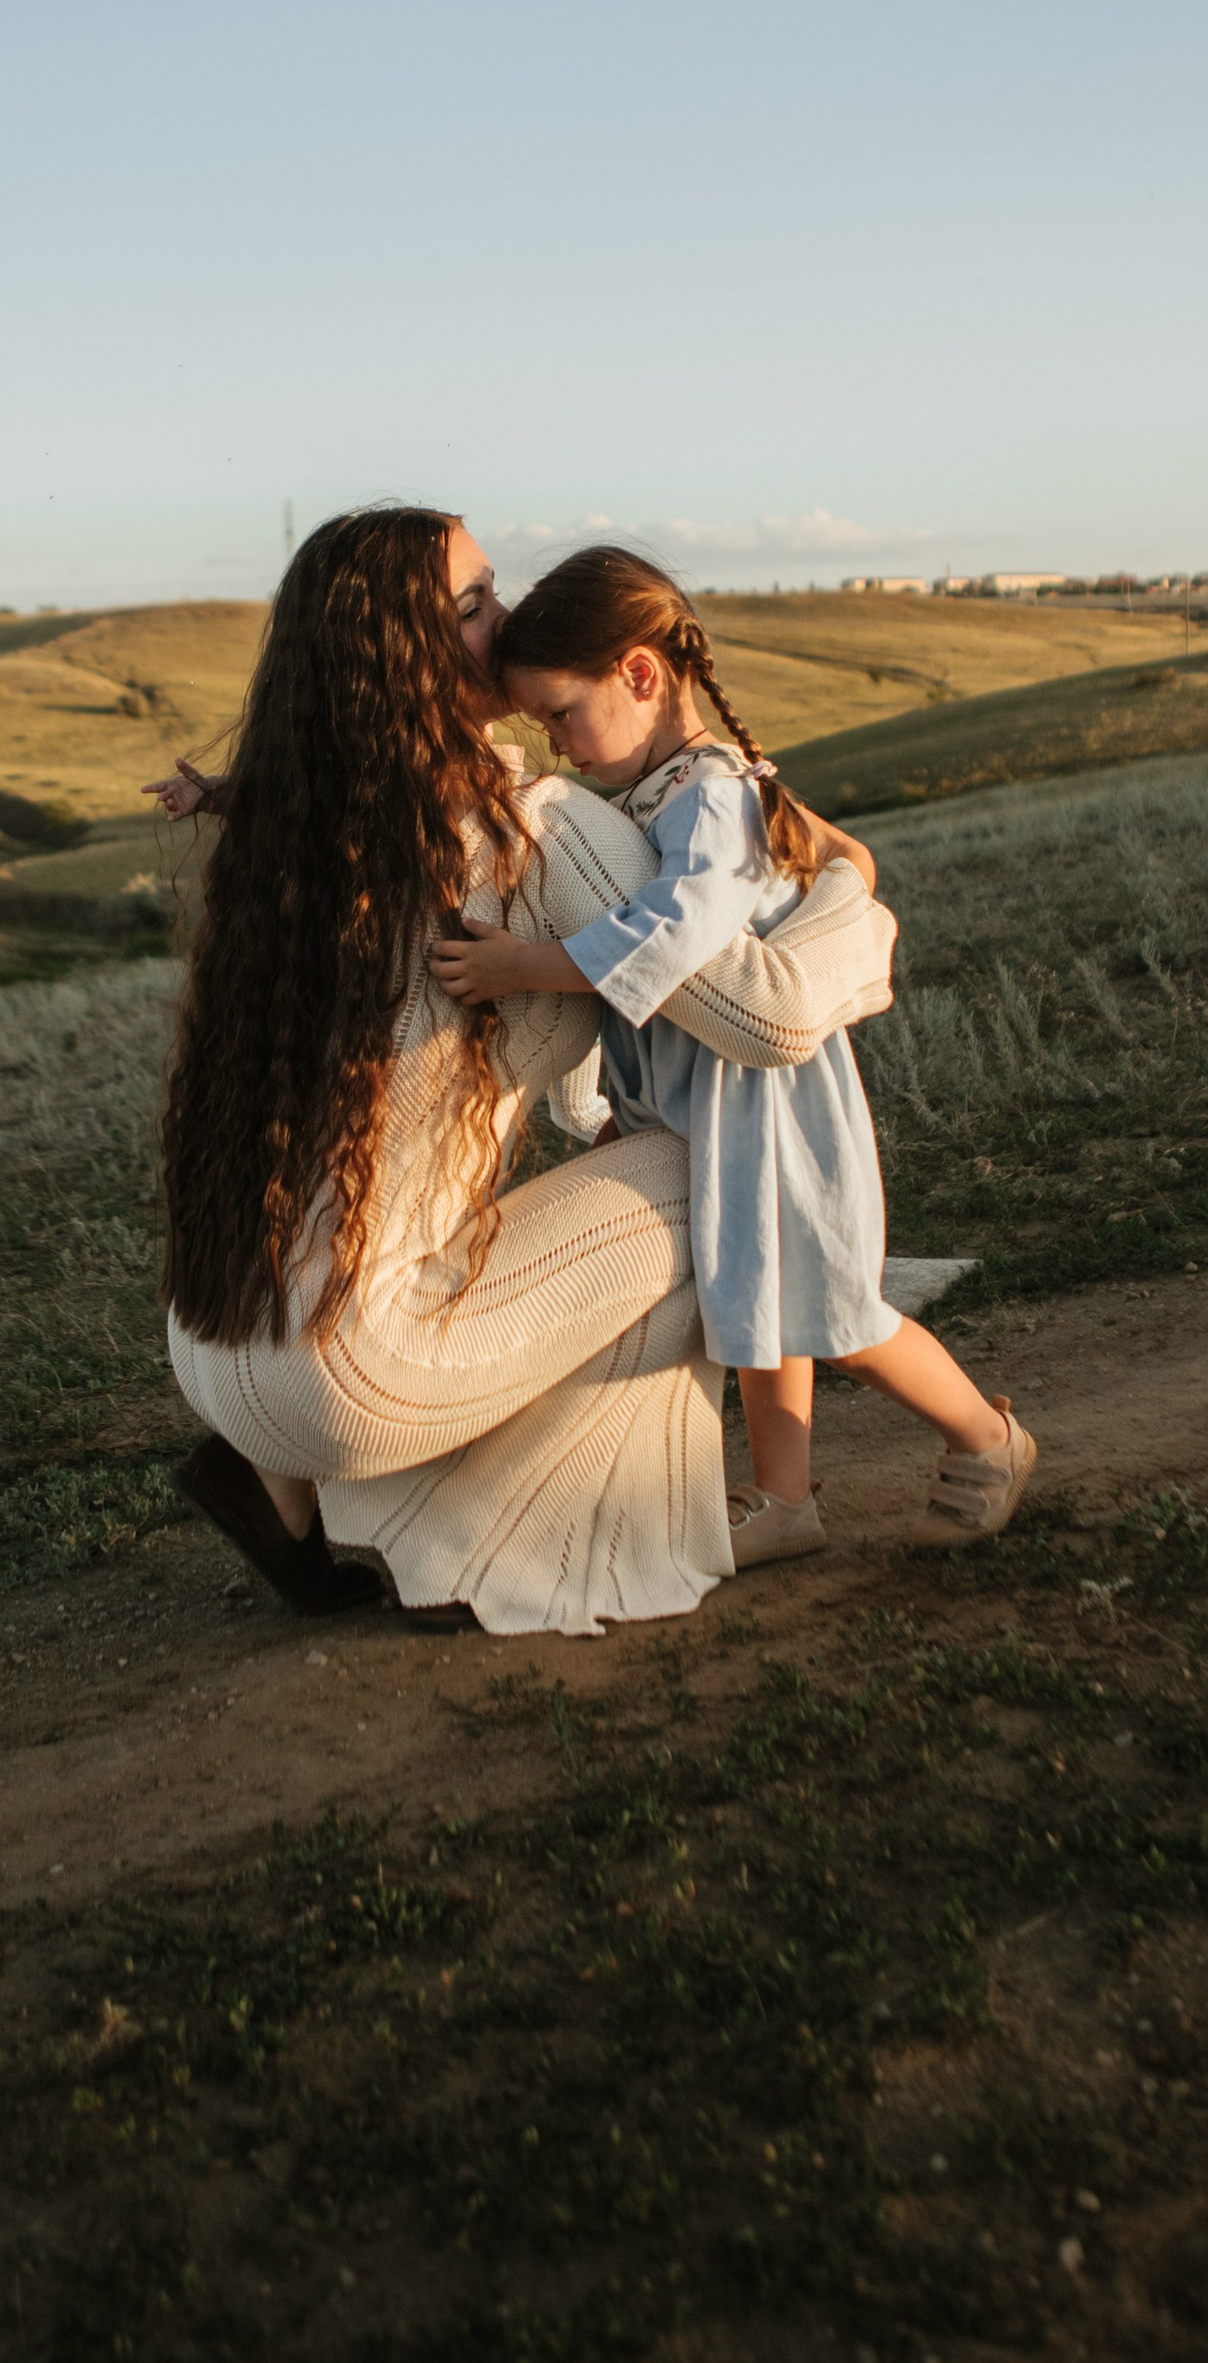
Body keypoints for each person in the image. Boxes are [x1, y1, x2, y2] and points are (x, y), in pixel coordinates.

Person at [152, 507, 902, 1635]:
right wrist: (854, 887)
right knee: (714, 1164)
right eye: (472, 608)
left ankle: (288, 1496)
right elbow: (774, 1019)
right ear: (403, 660)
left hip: (217, 1343)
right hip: (354, 1376)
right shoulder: (538, 833)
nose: (506, 623)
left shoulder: (309, 830)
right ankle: (473, 1534)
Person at [429, 546, 1035, 1565]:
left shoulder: (709, 798)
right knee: (754, 1300)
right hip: (708, 1098)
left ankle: (987, 1438)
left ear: (639, 674)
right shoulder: (654, 787)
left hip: (768, 1103)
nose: (560, 746)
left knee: (836, 1313)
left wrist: (523, 967)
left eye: (563, 715)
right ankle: (784, 1501)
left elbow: (675, 935)